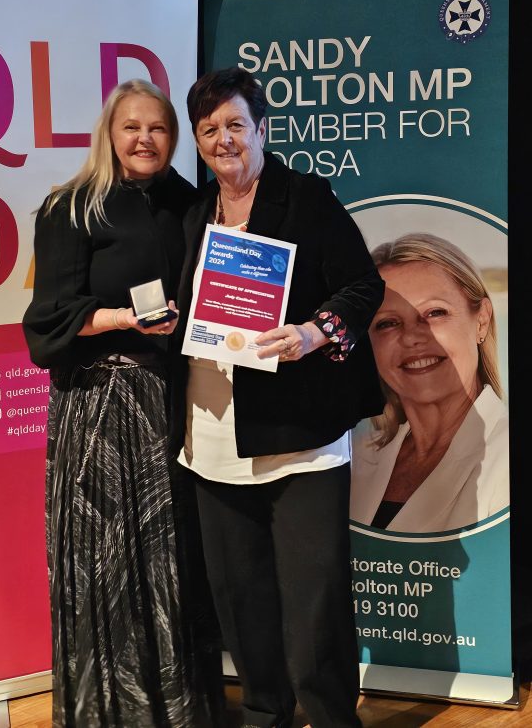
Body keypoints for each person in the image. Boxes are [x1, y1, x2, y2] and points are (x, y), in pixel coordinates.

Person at [175, 67, 386, 728]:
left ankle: (331, 719)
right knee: (241, 600)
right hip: (213, 436)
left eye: (236, 125)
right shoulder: (194, 215)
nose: (224, 140)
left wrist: (312, 333)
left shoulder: (306, 197)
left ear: (262, 129)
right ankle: (266, 715)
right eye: (209, 130)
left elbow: (363, 287)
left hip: (300, 436)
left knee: (316, 602)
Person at [23, 79, 222, 728]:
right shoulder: (72, 207)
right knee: (104, 566)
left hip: (172, 403)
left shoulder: (194, 205)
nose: (144, 139)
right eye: (131, 126)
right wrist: (120, 319)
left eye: (158, 128)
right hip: (97, 406)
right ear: (109, 133)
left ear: (174, 137)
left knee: (172, 562)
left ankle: (180, 711)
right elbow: (48, 320)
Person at [350, 232, 509, 533]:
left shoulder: (509, 457)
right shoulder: (353, 457)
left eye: (436, 313)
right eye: (387, 323)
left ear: (481, 320)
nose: (412, 336)